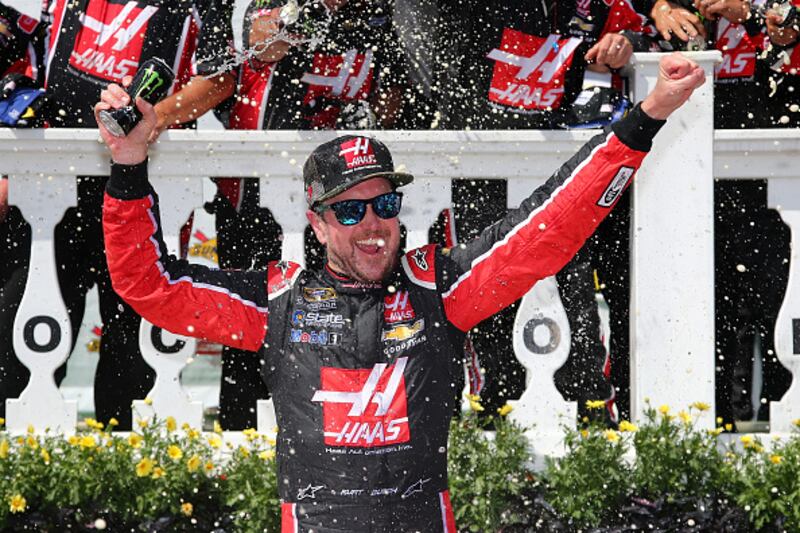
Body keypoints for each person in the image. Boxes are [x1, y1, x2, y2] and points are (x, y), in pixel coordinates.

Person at [97, 52, 702, 531]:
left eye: (384, 204)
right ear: (316, 223)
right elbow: (148, 284)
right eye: (349, 210)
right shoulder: (277, 301)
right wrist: (128, 164)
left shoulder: (437, 288)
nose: (372, 224)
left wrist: (643, 119)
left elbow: (545, 230)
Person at [0, 0, 234, 429]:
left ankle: (125, 466)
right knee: (15, 340)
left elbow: (218, 81)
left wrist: (150, 121)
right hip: (46, 188)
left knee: (132, 355)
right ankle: (16, 463)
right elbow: (17, 52)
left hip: (142, 189)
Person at [434, 0, 653, 420]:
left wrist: (627, 42)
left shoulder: (590, 6)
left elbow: (646, 31)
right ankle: (489, 431)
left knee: (578, 316)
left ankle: (592, 428)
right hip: (478, 176)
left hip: (555, 180)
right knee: (485, 313)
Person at [647, 0, 793, 425]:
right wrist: (659, 9)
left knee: (776, 296)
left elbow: (789, 32)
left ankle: (782, 425)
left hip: (776, 167)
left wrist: (747, 13)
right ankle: (713, 420)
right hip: (690, 165)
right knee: (710, 300)